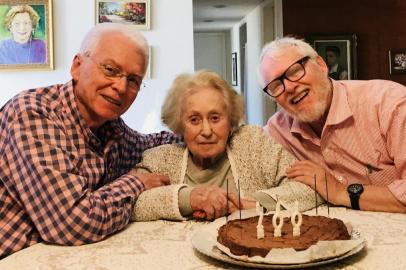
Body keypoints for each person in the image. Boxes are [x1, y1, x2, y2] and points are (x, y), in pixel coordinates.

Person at [0, 23, 178, 258]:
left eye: (134, 80)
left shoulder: (111, 129)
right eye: (110, 70)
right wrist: (138, 183)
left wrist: (202, 130)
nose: (121, 87)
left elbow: (152, 142)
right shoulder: (32, 114)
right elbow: (72, 223)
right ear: (77, 66)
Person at [131, 70, 321, 222]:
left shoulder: (254, 143)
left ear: (230, 121)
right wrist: (190, 199)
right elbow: (130, 204)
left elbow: (309, 188)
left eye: (215, 118)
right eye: (194, 120)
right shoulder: (159, 159)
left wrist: (249, 204)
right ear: (180, 126)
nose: (206, 130)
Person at [259, 37, 406, 213]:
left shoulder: (389, 105)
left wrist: (339, 192)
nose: (289, 87)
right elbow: (239, 150)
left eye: (295, 71)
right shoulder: (279, 130)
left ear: (321, 65)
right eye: (276, 85)